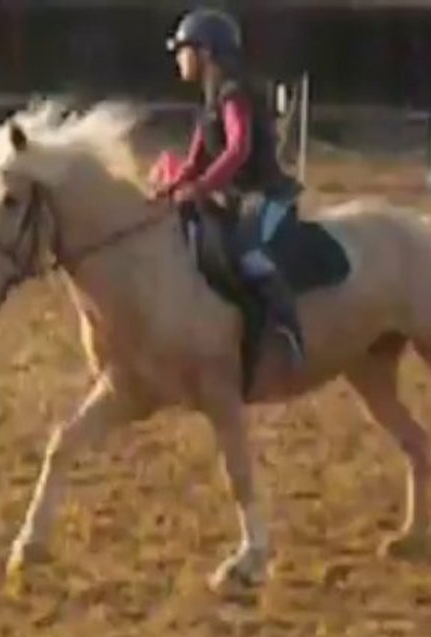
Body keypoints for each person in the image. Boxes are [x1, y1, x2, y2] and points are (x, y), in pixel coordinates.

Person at [151, 7, 307, 367]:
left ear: (204, 52)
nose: (178, 58)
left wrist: (203, 188)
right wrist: (169, 189)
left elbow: (239, 149)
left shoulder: (232, 93)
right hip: (236, 198)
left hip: (268, 197)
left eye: (183, 49)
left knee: (247, 253)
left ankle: (287, 327)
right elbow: (192, 162)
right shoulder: (207, 101)